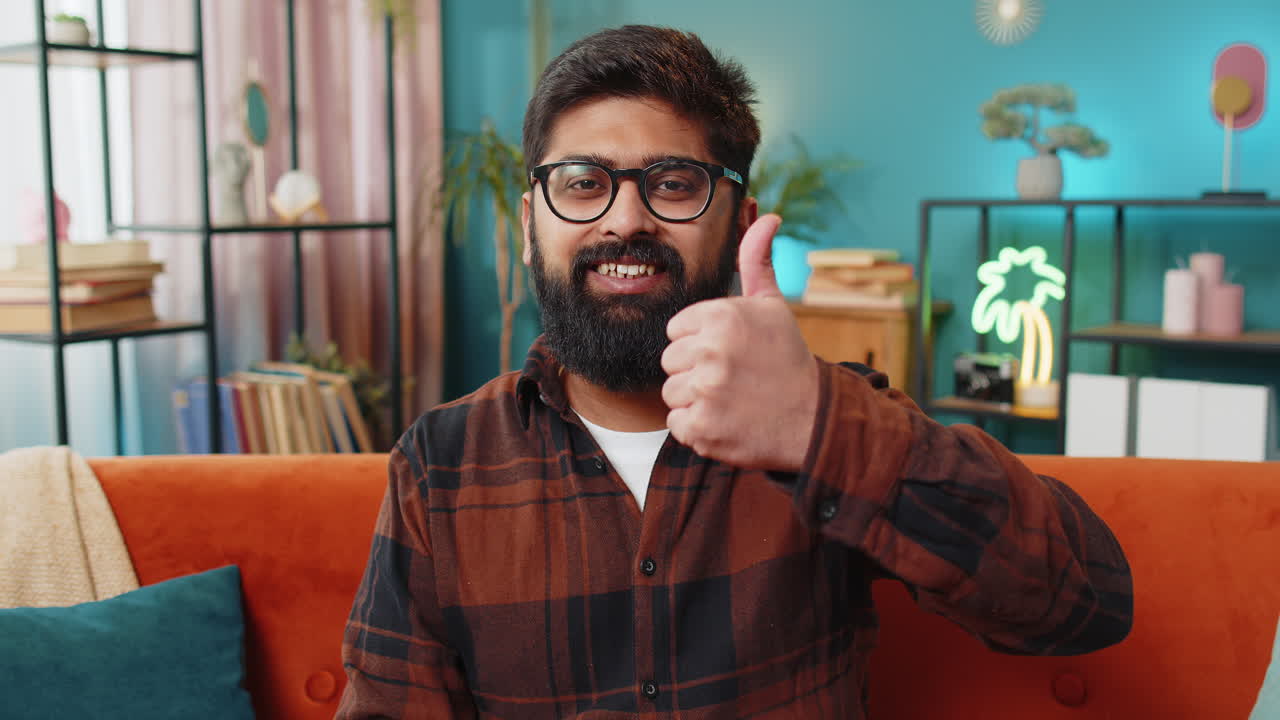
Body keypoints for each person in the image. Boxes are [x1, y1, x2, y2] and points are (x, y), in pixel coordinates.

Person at [337, 25, 1133, 719]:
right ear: (527, 224)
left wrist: (821, 428)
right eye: (582, 183)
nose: (624, 219)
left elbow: (1085, 602)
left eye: (673, 184)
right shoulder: (440, 466)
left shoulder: (832, 416)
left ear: (742, 221)